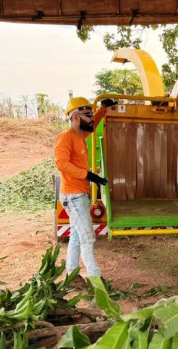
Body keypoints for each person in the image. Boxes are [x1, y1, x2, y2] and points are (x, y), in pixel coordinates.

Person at [55, 97, 116, 287]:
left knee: (75, 236)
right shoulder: (66, 138)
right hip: (73, 195)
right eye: (87, 115)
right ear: (75, 117)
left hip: (79, 194)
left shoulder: (80, 136)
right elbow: (61, 163)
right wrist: (88, 175)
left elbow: (94, 122)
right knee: (88, 237)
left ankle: (71, 277)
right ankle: (95, 279)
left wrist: (103, 108)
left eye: (91, 115)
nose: (91, 119)